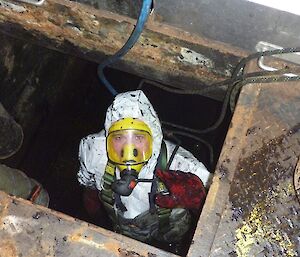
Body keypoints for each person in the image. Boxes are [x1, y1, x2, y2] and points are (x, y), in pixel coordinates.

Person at [78, 90, 211, 244]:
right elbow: (89, 190)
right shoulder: (94, 153)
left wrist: (196, 198)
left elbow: (216, 211)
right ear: (108, 138)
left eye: (138, 137)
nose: (128, 150)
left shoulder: (181, 165)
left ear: (152, 137)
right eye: (119, 137)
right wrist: (96, 222)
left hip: (169, 229)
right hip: (121, 230)